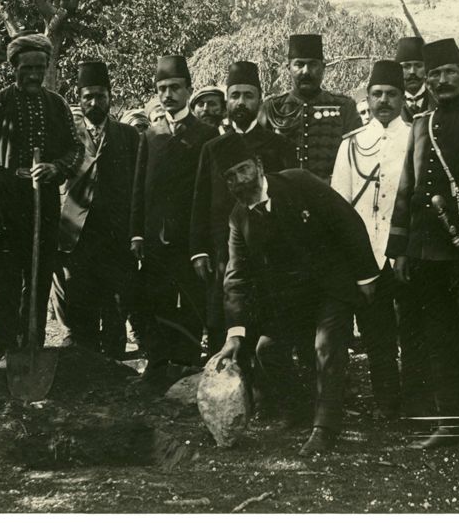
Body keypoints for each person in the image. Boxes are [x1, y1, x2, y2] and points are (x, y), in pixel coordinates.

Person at [212, 137, 379, 457]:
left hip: (332, 285)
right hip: (293, 301)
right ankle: (300, 410)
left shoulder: (299, 182)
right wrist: (234, 334)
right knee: (267, 350)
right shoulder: (238, 219)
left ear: (259, 166)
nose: (239, 181)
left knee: (326, 347)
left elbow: (347, 221)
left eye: (244, 170)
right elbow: (236, 278)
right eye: (230, 176)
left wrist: (366, 276)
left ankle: (325, 428)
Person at [387, 37, 459, 458]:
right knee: (439, 339)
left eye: (449, 72)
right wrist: (400, 249)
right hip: (426, 251)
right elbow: (407, 188)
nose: (441, 80)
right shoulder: (421, 124)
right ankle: (450, 423)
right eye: (434, 74)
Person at [0, 33, 83, 365]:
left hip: (45, 202)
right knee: (6, 280)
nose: (34, 74)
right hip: (7, 203)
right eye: (27, 68)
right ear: (14, 68)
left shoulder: (57, 104)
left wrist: (56, 167)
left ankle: (33, 343)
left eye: (40, 67)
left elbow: (76, 149)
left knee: (39, 275)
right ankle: (5, 348)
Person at [191, 61, 295, 355]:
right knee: (221, 322)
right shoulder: (212, 147)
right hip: (221, 249)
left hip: (267, 252)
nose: (240, 102)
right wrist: (198, 249)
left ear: (260, 98)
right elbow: (200, 200)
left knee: (265, 326)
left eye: (248, 95)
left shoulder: (278, 145)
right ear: (227, 100)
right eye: (234, 95)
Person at [330, 60, 412, 418]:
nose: (383, 101)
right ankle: (386, 402)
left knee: (412, 331)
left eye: (391, 94)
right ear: (368, 96)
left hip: (404, 252)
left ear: (402, 97)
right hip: (366, 257)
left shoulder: (416, 137)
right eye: (377, 94)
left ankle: (417, 400)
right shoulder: (351, 144)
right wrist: (351, 257)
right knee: (377, 334)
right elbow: (339, 205)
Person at [131, 55, 218, 383]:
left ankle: (185, 360)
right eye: (162, 88)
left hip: (189, 236)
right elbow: (139, 187)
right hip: (155, 236)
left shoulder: (205, 134)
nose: (168, 95)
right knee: (157, 296)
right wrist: (136, 233)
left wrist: (201, 243)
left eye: (175, 88)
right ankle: (157, 360)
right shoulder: (150, 135)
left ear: (188, 90)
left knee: (190, 297)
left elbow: (207, 192)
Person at [54, 62, 139, 357]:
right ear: (78, 98)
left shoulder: (128, 136)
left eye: (100, 95)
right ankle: (85, 364)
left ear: (110, 97)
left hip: (117, 233)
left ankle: (114, 364)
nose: (94, 102)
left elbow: (137, 185)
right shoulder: (67, 135)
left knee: (116, 302)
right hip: (78, 234)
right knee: (80, 300)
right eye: (88, 96)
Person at [263, 34, 360, 183]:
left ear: (323, 67)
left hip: (330, 194)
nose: (306, 71)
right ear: (288, 67)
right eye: (299, 64)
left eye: (313, 64)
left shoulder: (344, 106)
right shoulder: (272, 107)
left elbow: (355, 158)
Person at [396, 36, 435, 118]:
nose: (412, 72)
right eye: (406, 66)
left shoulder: (437, 100)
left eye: (418, 65)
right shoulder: (391, 104)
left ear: (426, 68)